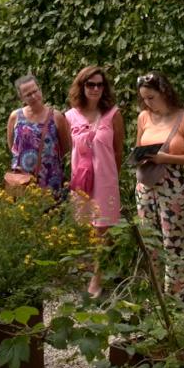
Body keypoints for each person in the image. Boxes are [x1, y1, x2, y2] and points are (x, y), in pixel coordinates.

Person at [133, 72, 184, 295]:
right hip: (145, 186)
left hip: (173, 187)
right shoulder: (143, 117)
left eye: (151, 97)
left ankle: (173, 299)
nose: (147, 103)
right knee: (149, 242)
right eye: (144, 98)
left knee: (173, 244)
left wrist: (167, 158)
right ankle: (153, 297)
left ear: (164, 93)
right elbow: (137, 147)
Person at [66, 65, 124, 297]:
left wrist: (110, 174)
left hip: (105, 180)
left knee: (102, 231)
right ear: (82, 86)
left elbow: (118, 150)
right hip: (81, 180)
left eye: (100, 84)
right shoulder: (70, 116)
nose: (95, 89)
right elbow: (64, 147)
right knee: (84, 230)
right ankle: (88, 271)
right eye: (90, 84)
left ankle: (97, 281)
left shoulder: (113, 114)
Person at [6, 74, 71, 197]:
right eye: (28, 94)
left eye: (35, 91)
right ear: (21, 98)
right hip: (21, 182)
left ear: (40, 89)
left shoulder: (56, 117)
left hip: (51, 181)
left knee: (52, 214)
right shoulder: (15, 117)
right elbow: (13, 147)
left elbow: (65, 147)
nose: (33, 96)